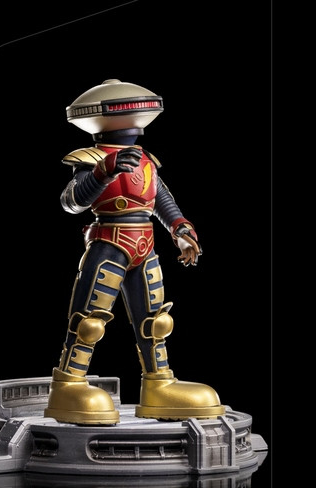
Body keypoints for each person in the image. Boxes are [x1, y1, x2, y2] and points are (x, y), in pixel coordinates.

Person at [44, 80, 225, 425]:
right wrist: (104, 170)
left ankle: (159, 385)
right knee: (89, 322)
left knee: (155, 322)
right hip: (109, 243)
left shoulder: (146, 161)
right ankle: (68, 384)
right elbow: (72, 201)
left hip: (145, 244)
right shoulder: (90, 159)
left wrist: (181, 230)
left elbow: (161, 200)